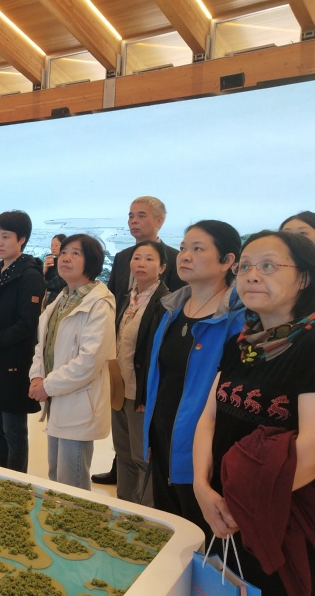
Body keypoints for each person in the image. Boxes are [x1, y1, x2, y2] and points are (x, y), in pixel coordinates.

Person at [193, 231, 315, 595]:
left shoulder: (309, 345)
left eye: (268, 266)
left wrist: (244, 505)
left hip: (278, 515)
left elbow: (312, 446)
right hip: (227, 509)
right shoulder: (243, 343)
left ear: (304, 278)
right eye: (244, 267)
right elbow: (210, 417)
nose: (252, 276)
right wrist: (201, 486)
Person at [143, 220, 244, 532]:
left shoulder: (237, 321)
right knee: (169, 529)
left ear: (227, 261)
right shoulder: (171, 310)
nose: (185, 256)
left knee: (200, 534)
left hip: (203, 447)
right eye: (183, 247)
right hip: (163, 436)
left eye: (198, 249)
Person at [95, 195, 185, 486]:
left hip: (148, 366)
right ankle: (120, 473)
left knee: (142, 448)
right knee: (123, 439)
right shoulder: (123, 257)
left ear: (159, 220)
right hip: (121, 360)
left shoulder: (174, 258)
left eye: (141, 215)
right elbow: (113, 300)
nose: (133, 221)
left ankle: (141, 495)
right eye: (131, 215)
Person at [28, 234, 115, 489]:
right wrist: (36, 376)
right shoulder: (62, 298)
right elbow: (42, 345)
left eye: (75, 253)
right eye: (64, 252)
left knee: (72, 484)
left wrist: (47, 385)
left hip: (78, 403)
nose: (65, 258)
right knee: (56, 476)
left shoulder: (99, 304)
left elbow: (89, 361)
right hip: (57, 399)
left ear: (92, 262)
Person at [0, 211, 45, 473]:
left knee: (13, 431)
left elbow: (28, 324)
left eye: (6, 236)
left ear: (22, 239)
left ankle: (15, 483)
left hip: (14, 363)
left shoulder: (29, 274)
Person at [112, 240, 169, 504]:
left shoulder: (165, 303)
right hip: (119, 388)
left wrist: (149, 395)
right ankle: (124, 506)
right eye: (137, 258)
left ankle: (146, 513)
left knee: (142, 456)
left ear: (162, 267)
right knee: (122, 452)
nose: (141, 263)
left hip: (142, 392)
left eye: (149, 258)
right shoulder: (127, 297)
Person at [43, 233, 67, 305]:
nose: (53, 248)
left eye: (56, 245)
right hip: (45, 296)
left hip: (57, 298)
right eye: (52, 245)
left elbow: (54, 284)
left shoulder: (66, 263)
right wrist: (45, 269)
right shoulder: (51, 261)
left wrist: (42, 283)